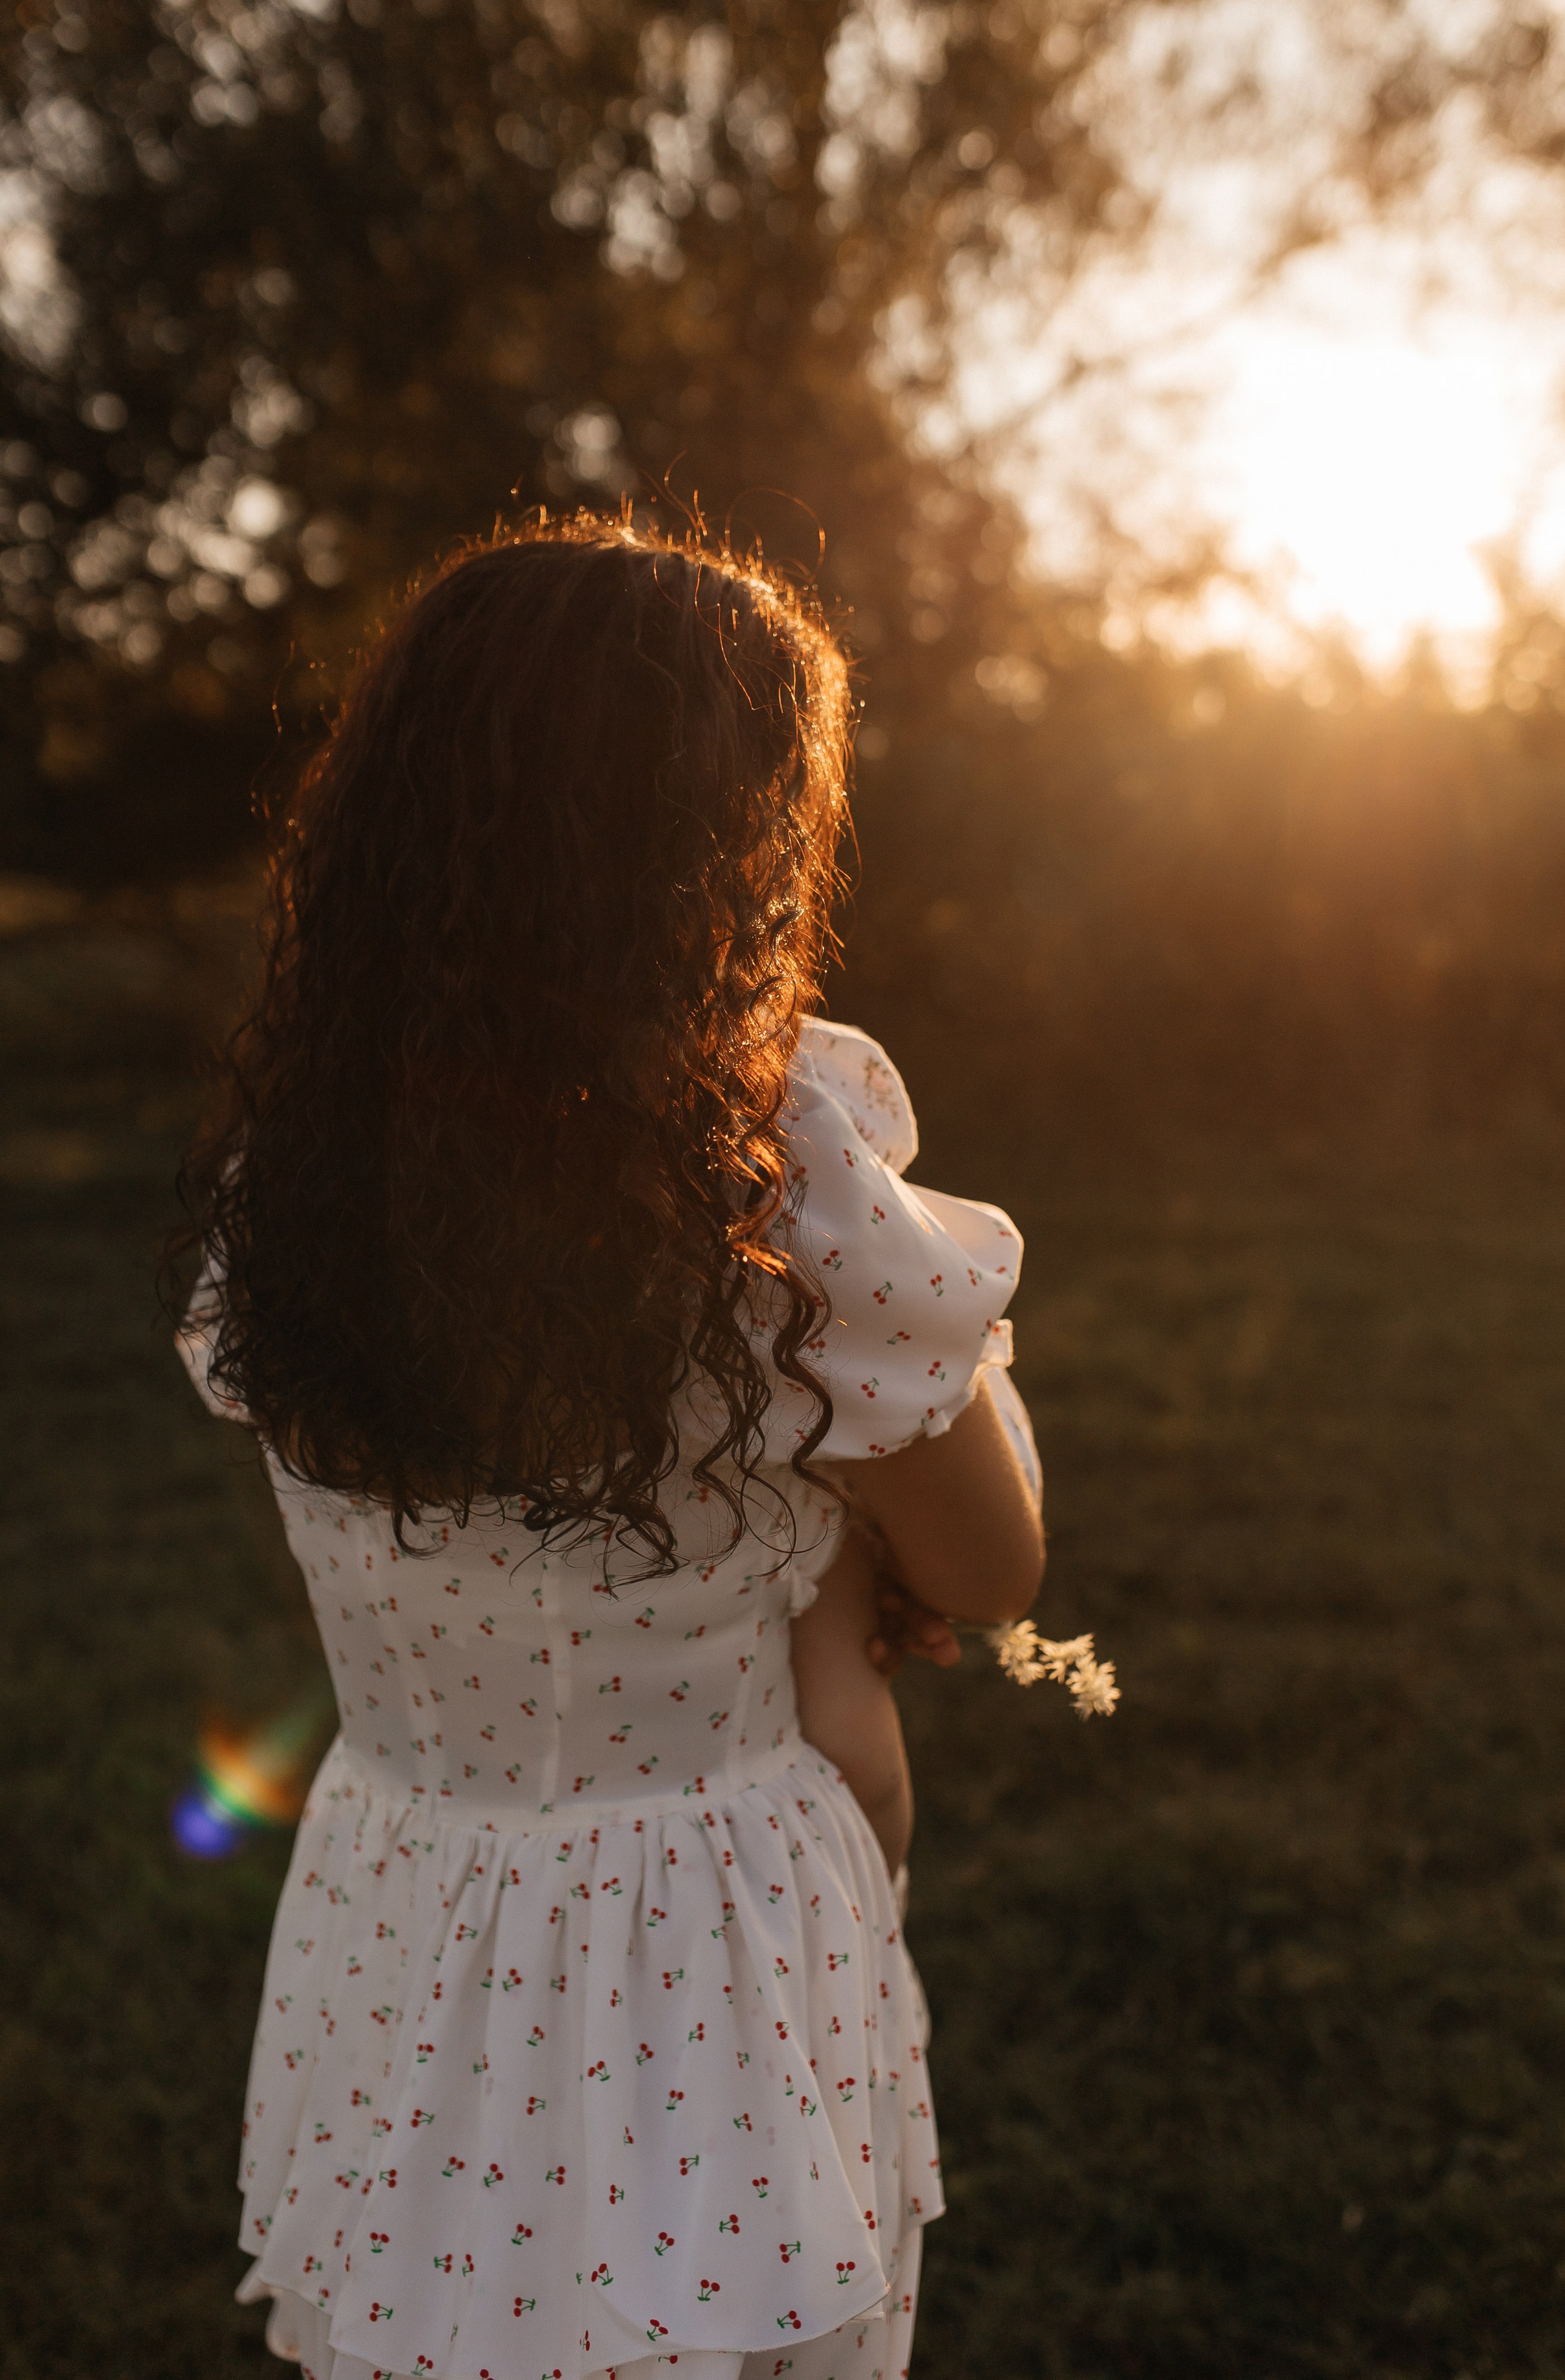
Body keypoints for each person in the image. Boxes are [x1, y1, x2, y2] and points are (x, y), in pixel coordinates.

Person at [173, 513, 1045, 2380]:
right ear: (717, 861)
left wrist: (806, 1568)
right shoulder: (782, 1204)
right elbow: (989, 1565)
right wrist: (918, 1399)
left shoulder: (296, 1191)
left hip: (413, 1909)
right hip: (707, 1947)